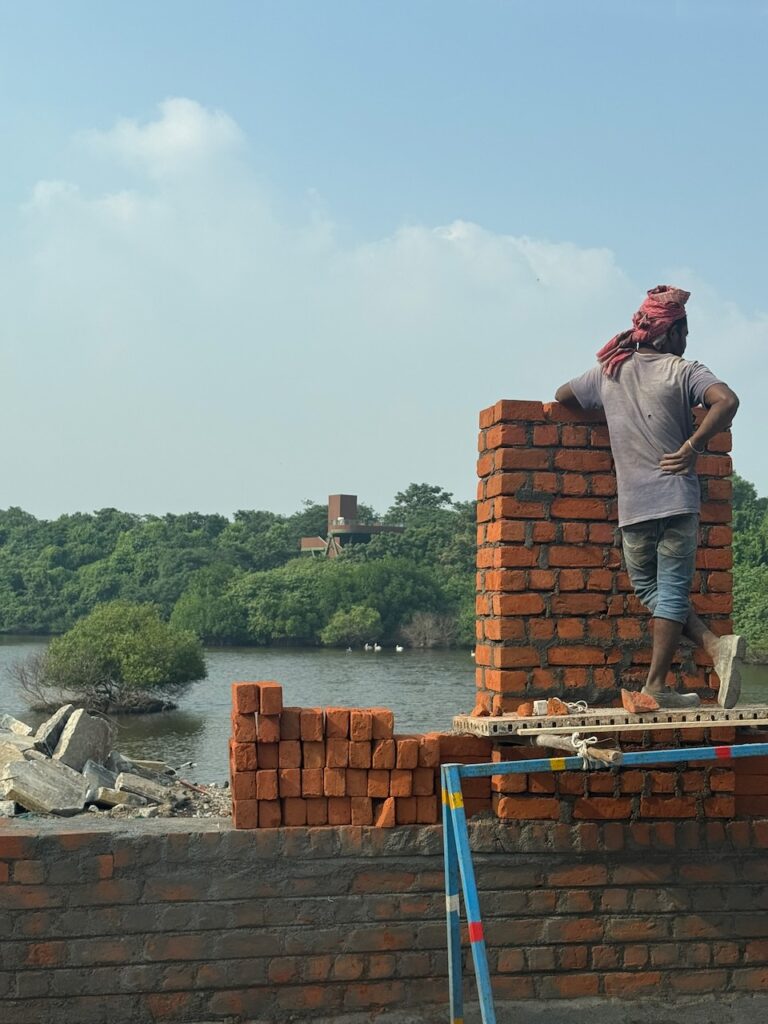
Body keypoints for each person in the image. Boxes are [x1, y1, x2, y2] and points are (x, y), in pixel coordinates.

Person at [555, 285, 743, 709]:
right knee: (668, 588)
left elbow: (562, 395)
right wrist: (694, 445)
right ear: (671, 334)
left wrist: (613, 361)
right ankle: (700, 656)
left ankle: (699, 658)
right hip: (677, 498)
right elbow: (726, 401)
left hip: (635, 505)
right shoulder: (683, 370)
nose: (687, 340)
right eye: (684, 332)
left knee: (651, 588)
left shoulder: (609, 371)